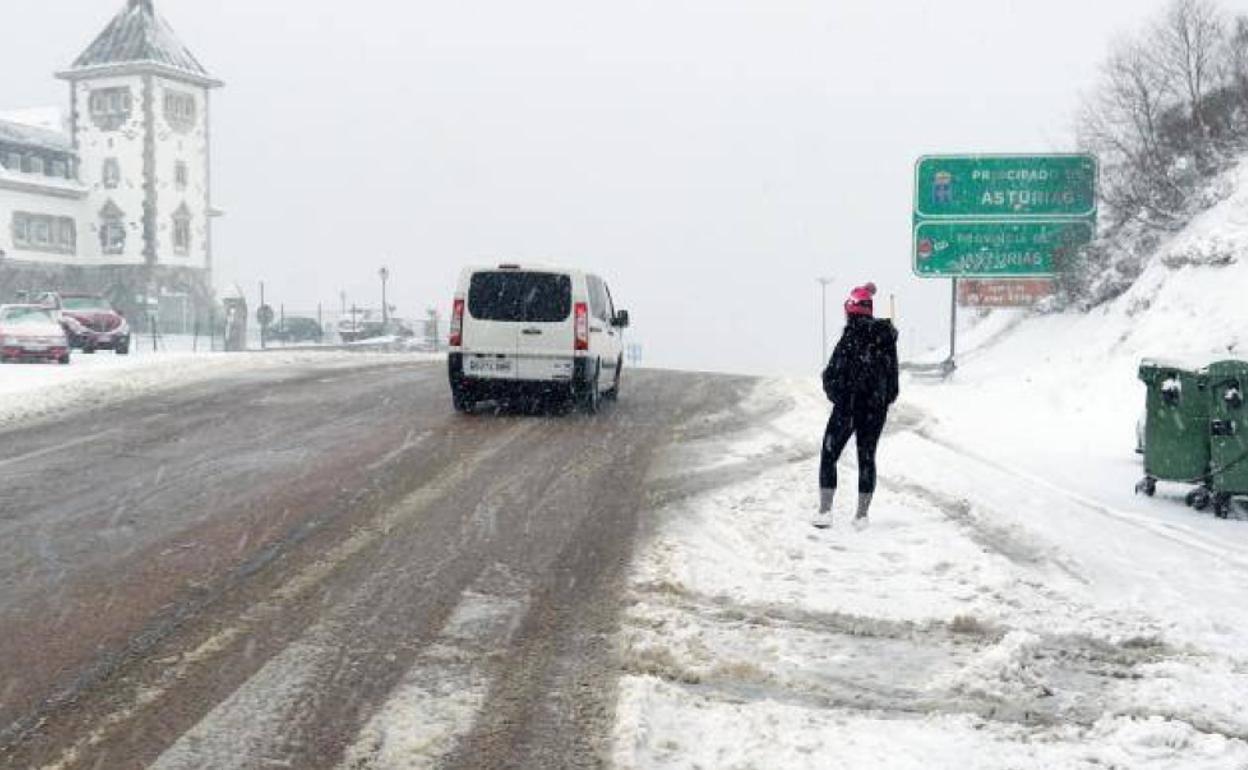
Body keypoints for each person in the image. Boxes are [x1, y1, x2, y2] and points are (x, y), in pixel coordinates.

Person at [813, 283, 899, 530]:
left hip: (848, 407)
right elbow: (893, 378)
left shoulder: (850, 337)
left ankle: (825, 512)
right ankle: (862, 516)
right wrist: (882, 400)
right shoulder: (886, 338)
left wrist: (838, 396)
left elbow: (831, 374)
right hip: (875, 409)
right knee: (867, 457)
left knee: (829, 454)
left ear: (850, 311)